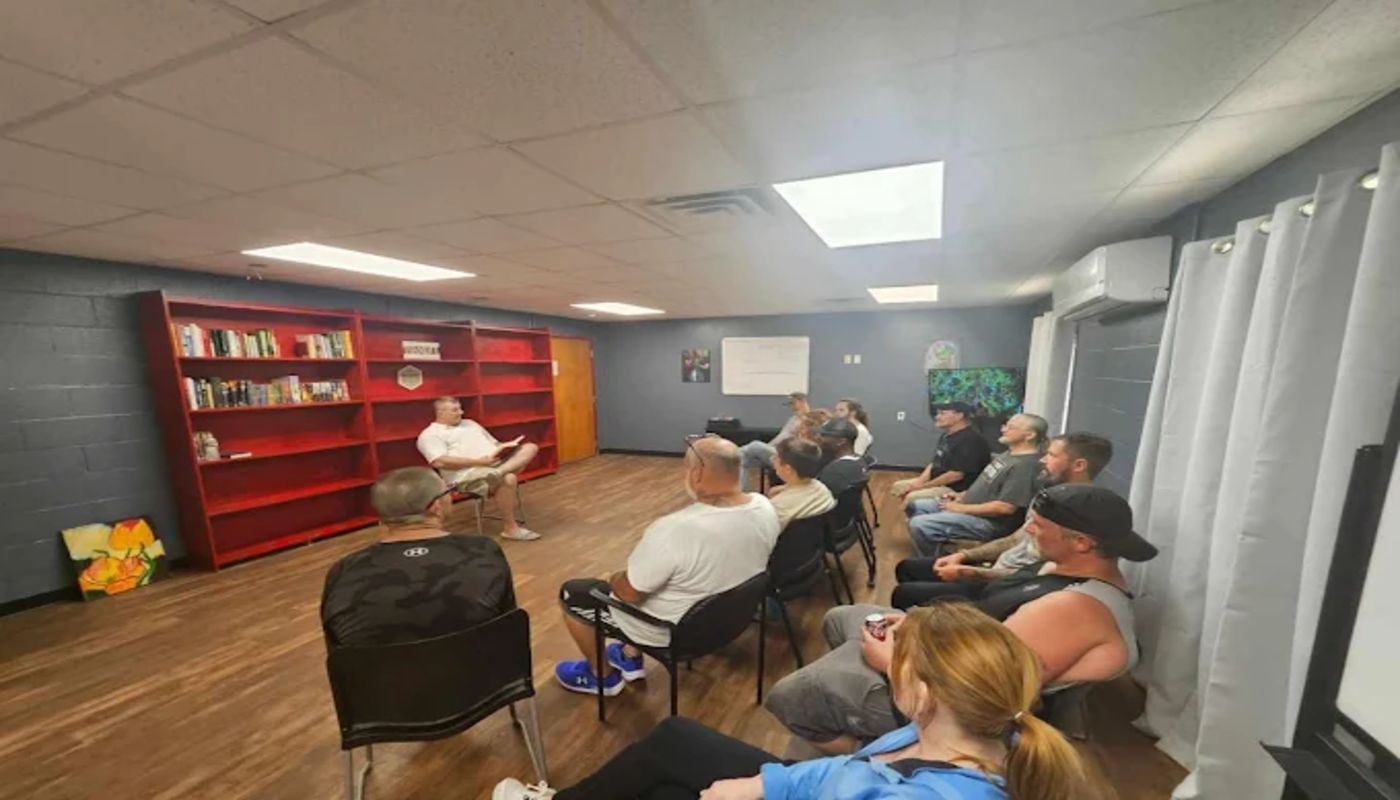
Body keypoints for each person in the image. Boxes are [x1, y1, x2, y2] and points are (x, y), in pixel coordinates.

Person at [492, 603, 1088, 800]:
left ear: (924, 693)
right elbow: (848, 770)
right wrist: (767, 784)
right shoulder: (978, 730)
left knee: (667, 786)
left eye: (899, 659)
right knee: (675, 741)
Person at [765, 483, 1157, 754]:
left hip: (952, 709)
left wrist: (891, 663)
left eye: (1038, 526)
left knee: (789, 694)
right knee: (844, 617)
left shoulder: (1071, 609)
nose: (1028, 530)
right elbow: (991, 626)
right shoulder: (1065, 571)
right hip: (953, 652)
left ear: (1082, 542)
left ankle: (888, 755)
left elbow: (979, 695)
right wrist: (920, 625)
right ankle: (849, 686)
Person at [554, 434, 779, 696]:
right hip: (729, 622)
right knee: (667, 583)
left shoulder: (675, 529)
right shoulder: (764, 506)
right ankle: (629, 655)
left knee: (575, 593)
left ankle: (601, 677)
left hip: (674, 633)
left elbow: (629, 594)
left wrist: (613, 578)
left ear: (696, 474)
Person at [892, 432, 1113, 609]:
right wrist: (964, 556)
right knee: (908, 567)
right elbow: (1015, 539)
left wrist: (969, 572)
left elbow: (1035, 577)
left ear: (1079, 465)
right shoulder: (1047, 494)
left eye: (1052, 455)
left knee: (904, 593)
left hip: (1005, 589)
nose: (1043, 460)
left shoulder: (1079, 515)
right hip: (996, 568)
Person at [320, 467, 515, 646]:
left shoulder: (344, 569)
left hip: (376, 674)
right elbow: (509, 628)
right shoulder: (483, 550)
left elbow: (337, 649)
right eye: (447, 492)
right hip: (478, 671)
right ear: (436, 506)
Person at [905, 413, 1047, 554]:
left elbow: (1005, 508)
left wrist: (960, 508)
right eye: (1005, 425)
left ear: (1029, 435)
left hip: (991, 523)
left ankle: (937, 562)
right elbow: (985, 486)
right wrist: (961, 496)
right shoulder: (1008, 455)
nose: (1003, 429)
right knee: (916, 506)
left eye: (1011, 427)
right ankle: (934, 550)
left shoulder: (1026, 466)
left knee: (920, 525)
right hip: (970, 508)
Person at [417, 396, 542, 541]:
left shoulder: (470, 423)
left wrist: (506, 446)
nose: (461, 412)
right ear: (440, 412)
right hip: (466, 475)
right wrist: (479, 462)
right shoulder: (430, 435)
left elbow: (494, 444)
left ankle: (498, 473)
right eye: (455, 410)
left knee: (530, 447)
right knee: (508, 479)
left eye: (460, 408)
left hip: (494, 465)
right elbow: (439, 462)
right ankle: (510, 529)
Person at [889, 402, 990, 503]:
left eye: (942, 413)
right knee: (899, 486)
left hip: (956, 489)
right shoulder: (946, 435)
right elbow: (934, 463)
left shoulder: (971, 440)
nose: (937, 417)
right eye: (938, 413)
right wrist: (919, 482)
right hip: (938, 481)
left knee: (913, 496)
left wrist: (923, 487)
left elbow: (956, 475)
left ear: (959, 415)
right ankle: (913, 510)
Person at [738, 391, 809, 490]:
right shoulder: (793, 419)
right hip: (776, 450)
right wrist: (768, 447)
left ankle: (733, 452)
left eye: (793, 403)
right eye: (790, 404)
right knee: (741, 459)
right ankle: (742, 492)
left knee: (755, 445)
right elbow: (781, 437)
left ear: (802, 402)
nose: (792, 407)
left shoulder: (807, 420)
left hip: (788, 454)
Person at [767, 437, 835, 530]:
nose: (771, 459)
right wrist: (786, 488)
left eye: (776, 457)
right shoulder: (823, 489)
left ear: (788, 469)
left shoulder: (779, 507)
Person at [813, 418, 867, 496]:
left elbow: (815, 497)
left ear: (840, 441)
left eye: (824, 435)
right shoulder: (858, 461)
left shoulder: (833, 471)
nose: (817, 437)